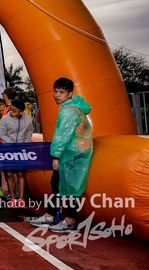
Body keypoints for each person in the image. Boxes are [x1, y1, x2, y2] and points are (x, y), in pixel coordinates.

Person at [30, 77, 93, 232]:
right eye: (56, 91)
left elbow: (62, 135)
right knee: (58, 184)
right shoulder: (72, 107)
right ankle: (51, 216)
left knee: (70, 188)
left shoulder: (69, 111)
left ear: (69, 93)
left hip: (71, 153)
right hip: (75, 151)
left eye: (61, 92)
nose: (57, 95)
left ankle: (69, 221)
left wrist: (56, 156)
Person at [0, 99, 33, 207]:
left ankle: (21, 198)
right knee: (9, 174)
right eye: (11, 109)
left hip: (21, 150)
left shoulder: (28, 119)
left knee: (20, 173)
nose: (11, 112)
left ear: (21, 112)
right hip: (8, 149)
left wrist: (25, 144)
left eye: (14, 110)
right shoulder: (5, 119)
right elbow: (1, 133)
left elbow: (29, 132)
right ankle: (13, 198)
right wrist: (11, 143)